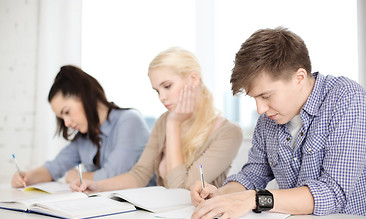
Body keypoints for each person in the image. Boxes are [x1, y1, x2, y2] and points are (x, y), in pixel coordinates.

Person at [190, 27, 366, 219]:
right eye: (254, 98)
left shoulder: (347, 98)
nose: (260, 109)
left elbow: (333, 192)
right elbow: (253, 175)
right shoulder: (269, 117)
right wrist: (222, 196)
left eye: (266, 96)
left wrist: (254, 199)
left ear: (299, 78)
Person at [70, 47, 243, 193]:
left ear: (193, 79)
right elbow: (139, 175)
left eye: (167, 86)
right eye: (157, 91)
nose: (162, 97)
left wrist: (174, 125)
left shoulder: (228, 132)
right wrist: (97, 186)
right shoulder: (164, 121)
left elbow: (181, 191)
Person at [11, 65, 150, 187]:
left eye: (67, 112)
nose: (66, 123)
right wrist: (28, 176)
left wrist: (77, 176)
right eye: (62, 117)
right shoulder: (84, 137)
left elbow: (113, 176)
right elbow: (55, 166)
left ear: (84, 96)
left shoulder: (129, 121)